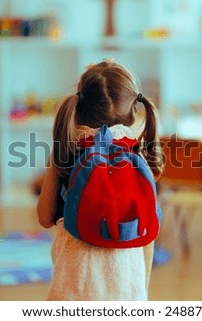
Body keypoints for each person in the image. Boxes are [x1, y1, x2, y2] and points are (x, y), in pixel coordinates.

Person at [36, 59, 163, 301]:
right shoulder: (138, 158)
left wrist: (55, 159)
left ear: (80, 107)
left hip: (76, 287)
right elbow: (148, 236)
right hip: (127, 288)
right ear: (134, 109)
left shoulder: (70, 154)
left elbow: (44, 217)